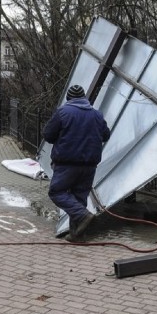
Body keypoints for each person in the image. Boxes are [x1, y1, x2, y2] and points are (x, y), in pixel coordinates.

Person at [43, 84, 111, 242]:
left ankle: (83, 215)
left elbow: (48, 135)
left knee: (56, 192)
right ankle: (77, 235)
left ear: (69, 98)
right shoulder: (97, 115)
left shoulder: (63, 113)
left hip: (67, 163)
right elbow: (106, 135)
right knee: (79, 197)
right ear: (83, 99)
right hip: (89, 165)